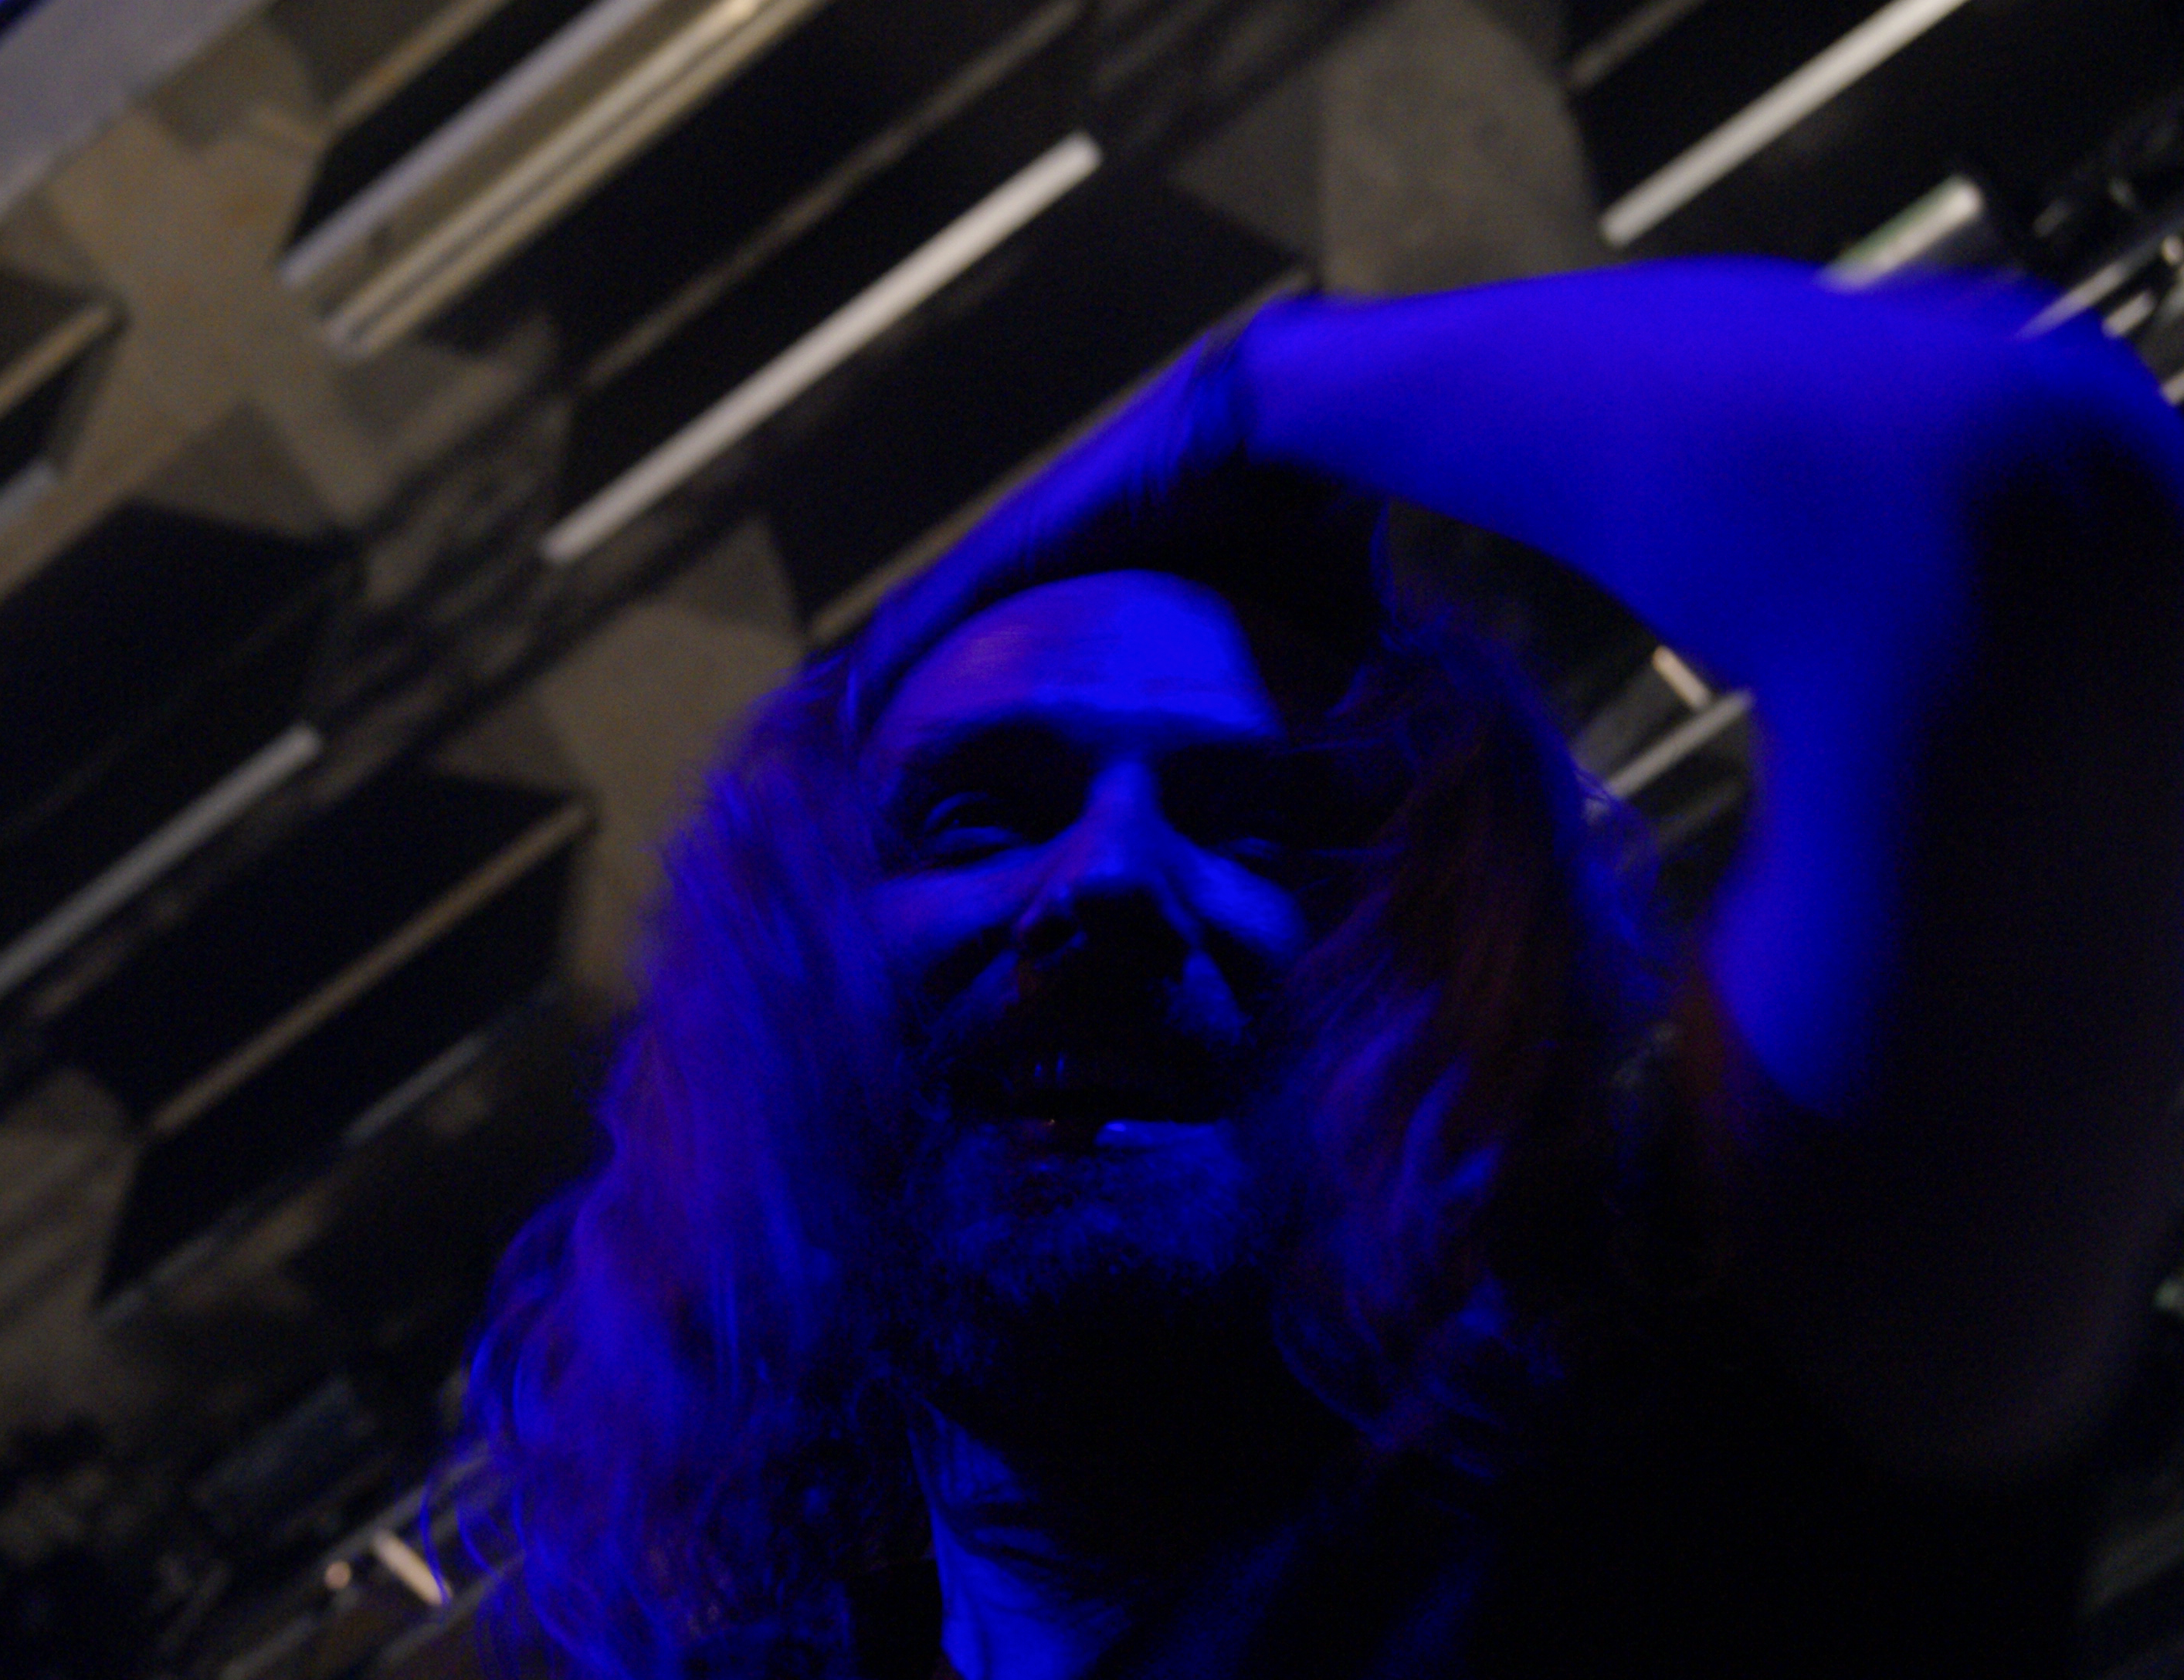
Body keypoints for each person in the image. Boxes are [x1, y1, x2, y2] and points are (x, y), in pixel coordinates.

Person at [467, 259, 2184, 1677]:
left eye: (1263, 821)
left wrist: (1253, 394)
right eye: (983, 810)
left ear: (1439, 976)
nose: (1112, 879)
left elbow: (2034, 506)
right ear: (789, 993)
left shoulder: (1692, 1499)